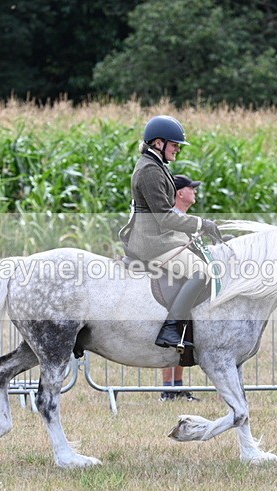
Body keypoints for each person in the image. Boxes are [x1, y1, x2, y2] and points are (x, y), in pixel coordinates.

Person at [120, 114, 221, 351]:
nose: (178, 149)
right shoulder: (149, 170)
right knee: (201, 272)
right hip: (152, 242)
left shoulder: (156, 165)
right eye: (174, 144)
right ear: (158, 143)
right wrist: (200, 224)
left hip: (161, 237)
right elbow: (164, 216)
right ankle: (171, 329)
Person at [160, 174, 203, 402]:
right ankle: (168, 388)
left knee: (184, 332)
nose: (194, 192)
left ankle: (177, 385)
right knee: (176, 327)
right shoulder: (173, 218)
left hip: (184, 277)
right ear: (180, 193)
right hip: (172, 279)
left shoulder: (185, 218)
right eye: (191, 188)